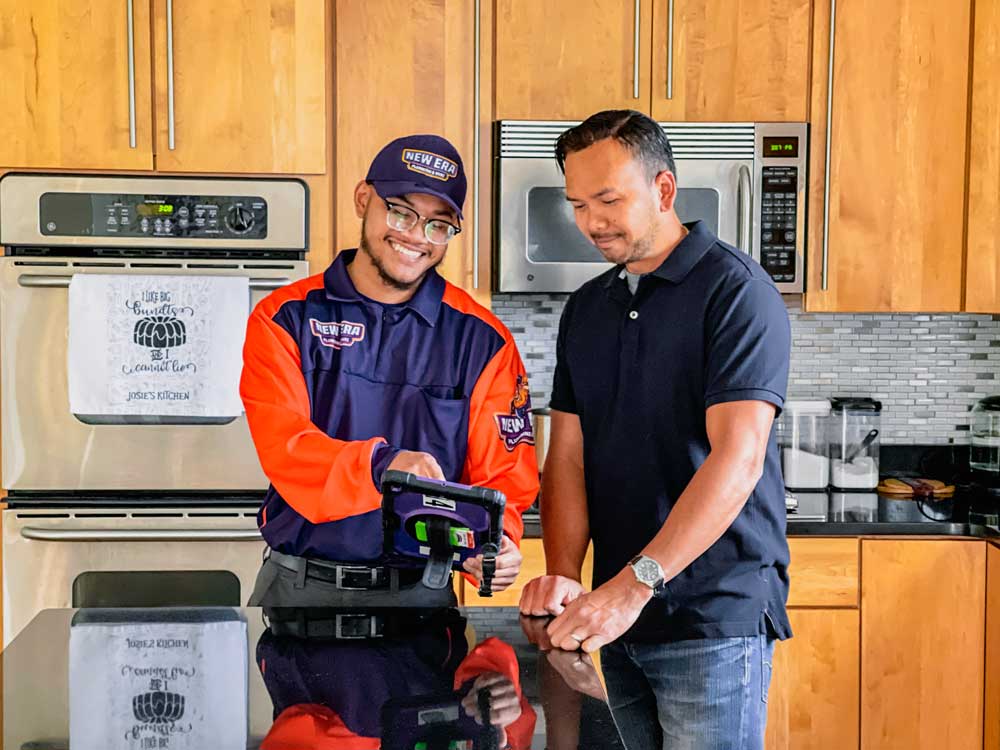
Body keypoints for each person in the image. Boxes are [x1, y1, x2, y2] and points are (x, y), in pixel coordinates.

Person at [518, 110, 792, 750]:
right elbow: (567, 459)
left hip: (711, 620)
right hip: (616, 619)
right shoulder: (588, 308)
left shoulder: (736, 291)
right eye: (578, 204)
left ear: (664, 191)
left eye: (609, 200)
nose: (591, 222)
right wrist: (564, 574)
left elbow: (739, 457)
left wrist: (632, 585)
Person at [241, 133, 538, 607]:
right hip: (298, 590)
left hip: (423, 596)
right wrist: (384, 466)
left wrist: (493, 542)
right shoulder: (284, 318)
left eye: (438, 225)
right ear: (364, 200)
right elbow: (286, 446)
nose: (416, 236)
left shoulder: (484, 341)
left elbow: (503, 477)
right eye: (400, 212)